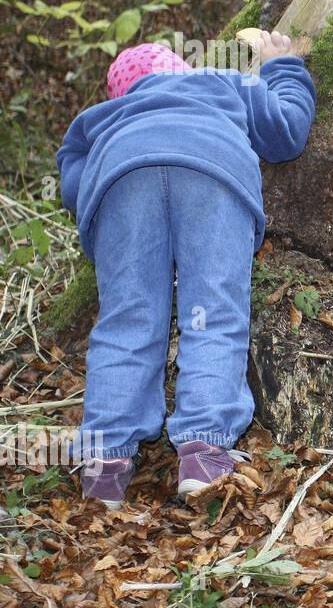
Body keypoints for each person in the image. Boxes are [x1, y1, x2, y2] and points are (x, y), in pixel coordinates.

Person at [56, 33, 315, 508]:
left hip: (121, 180)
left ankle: (105, 464)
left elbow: (73, 181)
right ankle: (204, 451)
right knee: (212, 312)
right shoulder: (222, 83)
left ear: (123, 94)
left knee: (127, 321)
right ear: (180, 68)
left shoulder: (101, 120)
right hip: (210, 170)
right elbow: (286, 132)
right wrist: (286, 67)